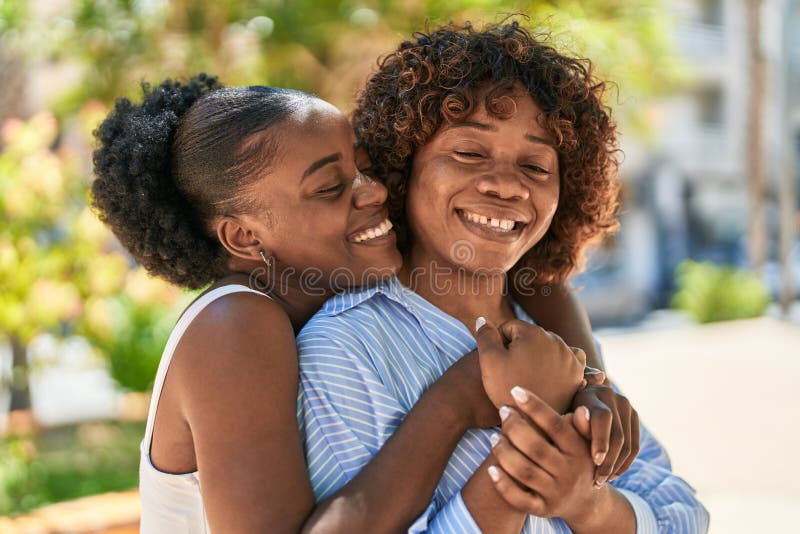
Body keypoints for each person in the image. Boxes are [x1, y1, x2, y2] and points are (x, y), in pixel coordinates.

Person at [91, 74, 623, 533]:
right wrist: (460, 395)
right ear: (244, 238)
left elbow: (534, 278)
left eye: (364, 166)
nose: (372, 192)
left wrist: (589, 386)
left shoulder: (341, 282)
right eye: (330, 187)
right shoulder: (235, 324)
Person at [297, 21, 710, 533]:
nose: (506, 186)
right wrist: (522, 464)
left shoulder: (557, 346)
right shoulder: (345, 348)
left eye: (536, 166)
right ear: (401, 167)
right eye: (469, 153)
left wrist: (588, 504)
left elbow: (682, 512)